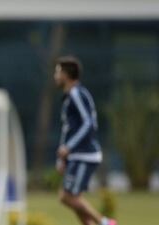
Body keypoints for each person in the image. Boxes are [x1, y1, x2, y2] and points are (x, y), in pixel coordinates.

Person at [54, 56, 116, 225]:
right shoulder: (69, 97)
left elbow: (89, 123)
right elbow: (68, 129)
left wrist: (69, 147)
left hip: (85, 154)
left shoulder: (76, 93)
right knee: (75, 201)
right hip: (76, 155)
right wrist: (62, 158)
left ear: (66, 75)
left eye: (58, 72)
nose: (55, 76)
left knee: (66, 196)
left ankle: (105, 222)